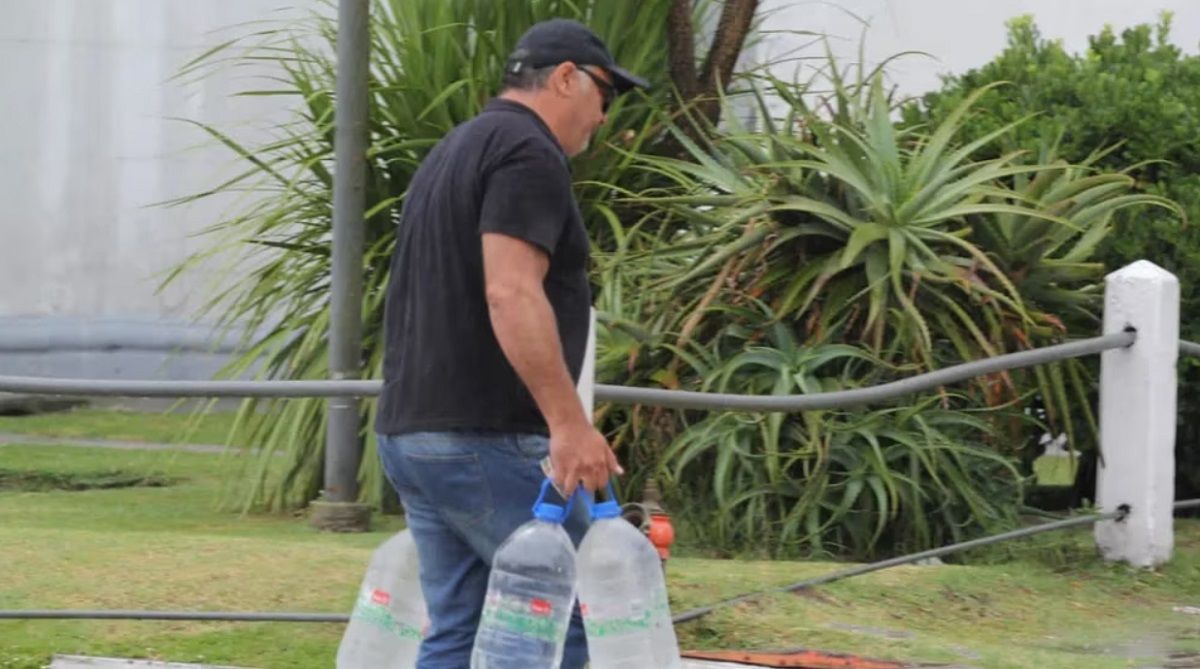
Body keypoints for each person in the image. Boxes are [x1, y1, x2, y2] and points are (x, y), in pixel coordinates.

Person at [373, 18, 650, 669]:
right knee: (583, 605)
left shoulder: (457, 147)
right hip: (482, 437)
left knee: (460, 626)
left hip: (414, 432)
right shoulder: (528, 153)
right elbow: (512, 291)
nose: (604, 118)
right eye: (605, 97)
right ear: (565, 78)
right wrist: (569, 424)